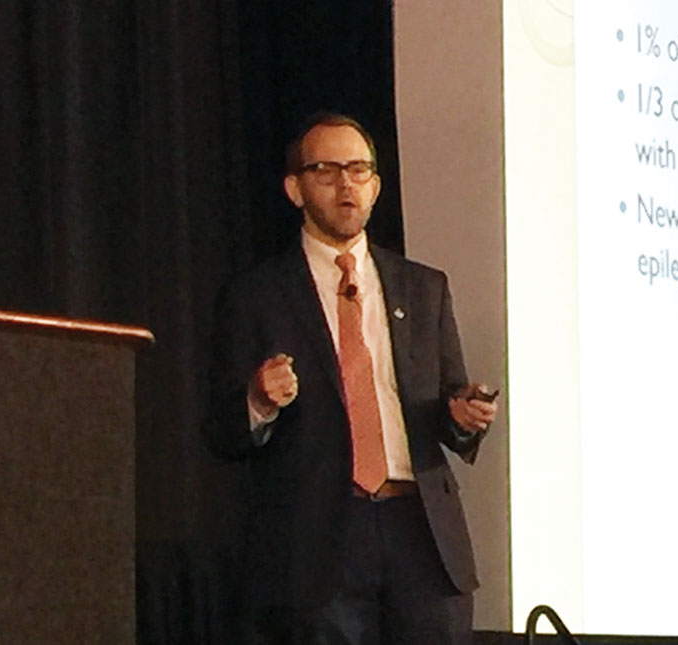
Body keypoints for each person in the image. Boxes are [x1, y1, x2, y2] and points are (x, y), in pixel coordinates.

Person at [204, 111, 497, 645]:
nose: (346, 185)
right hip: (320, 537)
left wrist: (462, 416)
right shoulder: (257, 295)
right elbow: (221, 430)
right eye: (327, 170)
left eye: (359, 170)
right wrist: (258, 402)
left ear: (376, 187)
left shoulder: (423, 288)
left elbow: (450, 409)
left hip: (421, 535)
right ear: (295, 189)